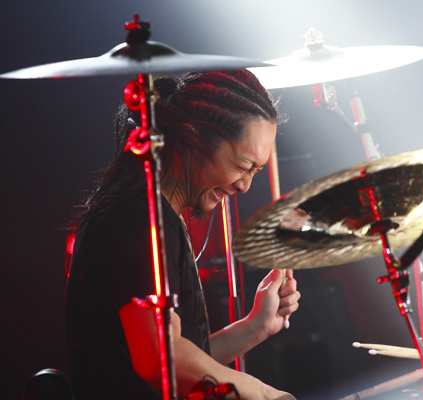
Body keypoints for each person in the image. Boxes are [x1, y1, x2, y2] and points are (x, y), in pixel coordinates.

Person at [65, 69, 300, 399]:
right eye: (242, 166)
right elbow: (161, 360)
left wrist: (255, 326)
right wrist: (263, 394)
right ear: (193, 137)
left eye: (255, 172)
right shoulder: (137, 221)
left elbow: (182, 358)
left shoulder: (154, 214)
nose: (245, 186)